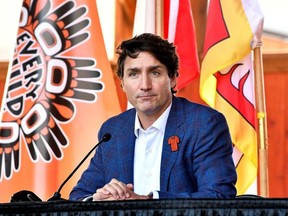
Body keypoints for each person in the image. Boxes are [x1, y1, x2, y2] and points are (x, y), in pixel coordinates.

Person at [69, 33, 237, 201]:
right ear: (122, 83)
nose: (144, 86)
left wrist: (147, 201)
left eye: (155, 73)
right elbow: (79, 195)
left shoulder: (204, 124)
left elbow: (218, 196)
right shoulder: (113, 131)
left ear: (172, 79)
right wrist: (97, 200)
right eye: (134, 74)